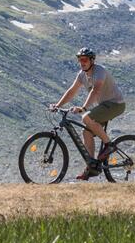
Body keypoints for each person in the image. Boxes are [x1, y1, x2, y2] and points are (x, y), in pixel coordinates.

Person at [50, 48, 126, 180]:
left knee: (86, 117)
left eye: (84, 60)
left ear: (92, 60)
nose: (82, 63)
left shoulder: (99, 71)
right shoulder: (81, 75)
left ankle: (109, 145)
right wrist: (58, 105)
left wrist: (83, 108)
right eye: (80, 60)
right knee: (86, 132)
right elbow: (71, 91)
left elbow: (95, 91)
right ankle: (92, 166)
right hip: (104, 106)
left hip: (116, 104)